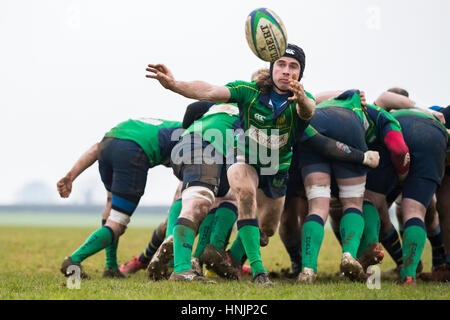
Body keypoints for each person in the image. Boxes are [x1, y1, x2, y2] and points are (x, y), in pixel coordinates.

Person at [289, 89, 410, 283]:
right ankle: (349, 255)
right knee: (353, 204)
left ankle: (308, 269)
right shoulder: (375, 112)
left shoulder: (321, 104)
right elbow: (398, 147)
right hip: (348, 125)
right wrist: (402, 178)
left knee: (318, 206)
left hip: (314, 125)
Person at [58, 117, 184, 279]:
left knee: (111, 205)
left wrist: (70, 176)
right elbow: (184, 188)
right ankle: (74, 259)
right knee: (118, 222)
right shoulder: (192, 137)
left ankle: (110, 266)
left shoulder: (165, 127)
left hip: (108, 145)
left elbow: (95, 149)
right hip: (132, 152)